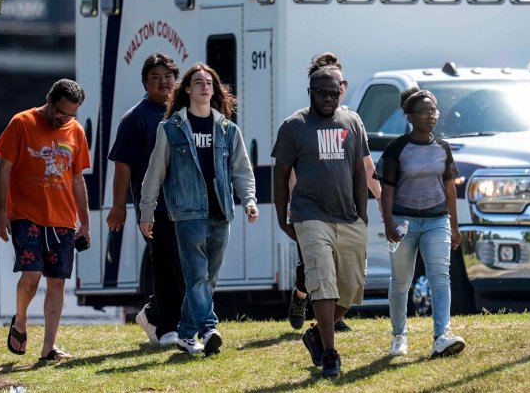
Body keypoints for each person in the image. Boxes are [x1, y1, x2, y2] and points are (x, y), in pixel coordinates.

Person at [139, 63, 258, 357]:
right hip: (188, 213)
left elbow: (241, 170)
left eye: (209, 83)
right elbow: (155, 172)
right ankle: (208, 327)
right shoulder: (171, 128)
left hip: (221, 213)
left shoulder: (228, 130)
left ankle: (186, 333)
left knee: (209, 278)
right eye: (199, 82)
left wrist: (250, 200)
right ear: (188, 90)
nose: (205, 87)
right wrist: (146, 211)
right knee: (196, 277)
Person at [272, 55, 370, 379]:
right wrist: (282, 216)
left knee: (353, 289)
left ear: (341, 92)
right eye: (322, 93)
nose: (329, 98)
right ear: (310, 91)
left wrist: (363, 215)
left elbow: (359, 171)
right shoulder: (294, 126)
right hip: (310, 215)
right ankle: (330, 353)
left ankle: (315, 333)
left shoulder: (352, 122)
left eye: (334, 93)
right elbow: (280, 174)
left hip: (348, 217)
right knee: (322, 281)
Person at [0, 79, 91, 361]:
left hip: (62, 218)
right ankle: (20, 321)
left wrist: (84, 222)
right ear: (49, 102)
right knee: (32, 275)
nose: (65, 119)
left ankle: (49, 347)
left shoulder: (76, 131)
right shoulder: (21, 123)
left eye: (71, 114)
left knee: (57, 281)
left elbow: (76, 179)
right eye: (61, 112)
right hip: (26, 214)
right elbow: (4, 171)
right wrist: (1, 214)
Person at [286, 53, 382, 332]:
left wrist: (383, 197)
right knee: (312, 268)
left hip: (344, 209)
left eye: (337, 84)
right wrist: (294, 202)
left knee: (342, 268)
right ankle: (300, 297)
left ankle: (328, 322)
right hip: (311, 209)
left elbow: (366, 166)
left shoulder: (350, 120)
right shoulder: (302, 123)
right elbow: (291, 169)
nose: (333, 91)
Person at [378, 87, 466, 358]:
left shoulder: (443, 148)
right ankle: (399, 336)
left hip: (436, 220)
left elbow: (449, 187)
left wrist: (454, 225)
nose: (431, 116)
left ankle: (442, 336)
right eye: (424, 112)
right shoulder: (397, 148)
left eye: (433, 111)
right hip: (403, 222)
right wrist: (389, 223)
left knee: (441, 278)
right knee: (401, 281)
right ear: (410, 116)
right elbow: (387, 189)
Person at [107, 53, 183, 347]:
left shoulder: (186, 112)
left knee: (187, 268)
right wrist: (119, 206)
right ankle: (165, 326)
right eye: (155, 78)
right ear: (145, 83)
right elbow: (123, 165)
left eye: (168, 77)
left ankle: (152, 313)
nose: (163, 82)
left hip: (187, 205)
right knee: (168, 267)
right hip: (155, 206)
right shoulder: (135, 118)